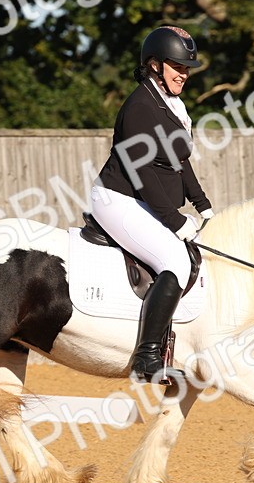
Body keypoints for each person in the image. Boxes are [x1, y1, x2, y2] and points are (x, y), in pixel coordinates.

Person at [90, 25, 215, 385]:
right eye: (178, 66)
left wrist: (201, 202)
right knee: (175, 259)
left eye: (187, 68)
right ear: (155, 65)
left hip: (140, 197)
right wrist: (174, 220)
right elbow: (141, 170)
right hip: (118, 198)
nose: (184, 74)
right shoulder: (141, 107)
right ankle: (147, 356)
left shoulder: (171, 104)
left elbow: (179, 159)